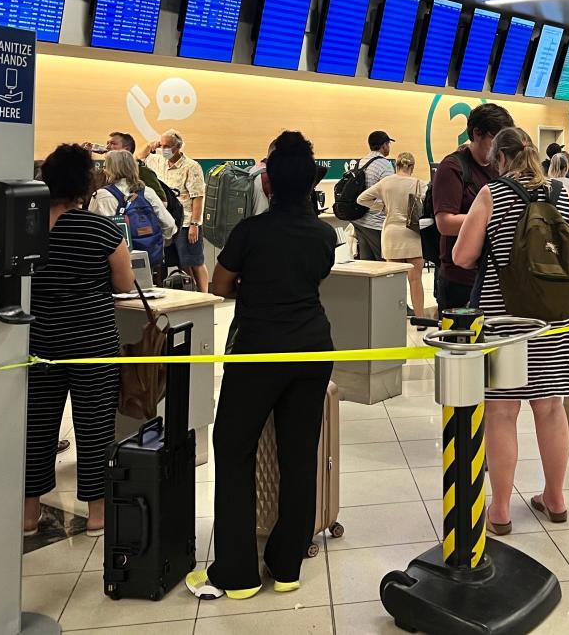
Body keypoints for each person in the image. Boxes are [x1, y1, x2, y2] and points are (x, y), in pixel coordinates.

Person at [187, 131, 337, 601]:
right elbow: (316, 275)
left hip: (256, 351)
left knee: (233, 448)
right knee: (298, 454)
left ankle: (236, 573)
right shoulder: (323, 233)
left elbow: (221, 285)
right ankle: (286, 563)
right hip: (313, 349)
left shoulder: (249, 232)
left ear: (268, 185)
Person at [452, 128, 569, 533]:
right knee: (550, 408)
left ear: (498, 158)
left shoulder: (493, 193)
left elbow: (462, 256)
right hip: (556, 320)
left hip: (504, 318)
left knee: (502, 411)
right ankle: (556, 499)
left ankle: (501, 510)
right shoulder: (560, 193)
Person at [24, 144, 135, 538]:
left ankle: (27, 515)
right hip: (92, 343)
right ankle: (97, 516)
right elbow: (124, 285)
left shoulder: (26, 226)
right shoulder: (100, 229)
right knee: (94, 429)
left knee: (36, 429)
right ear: (85, 186)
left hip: (38, 344)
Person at [432, 104, 515, 311]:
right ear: (477, 133)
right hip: (461, 278)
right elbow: (445, 223)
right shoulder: (452, 167)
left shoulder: (500, 167)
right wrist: (493, 217)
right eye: (495, 140)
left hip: (496, 274)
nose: (500, 149)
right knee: (464, 341)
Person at [357, 151, 427, 318]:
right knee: (416, 280)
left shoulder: (386, 182)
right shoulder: (419, 183)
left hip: (391, 234)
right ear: (412, 166)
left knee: (394, 281)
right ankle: (421, 319)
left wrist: (381, 208)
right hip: (412, 233)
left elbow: (361, 199)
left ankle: (394, 319)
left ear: (396, 165)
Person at [141, 129, 209, 291]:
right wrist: (152, 145)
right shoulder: (158, 161)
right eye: (162, 145)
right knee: (181, 261)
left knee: (195, 261)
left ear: (178, 148)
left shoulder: (191, 166)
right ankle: (191, 291)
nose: (164, 149)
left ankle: (205, 293)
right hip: (167, 222)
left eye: (168, 146)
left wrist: (195, 224)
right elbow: (139, 157)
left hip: (186, 222)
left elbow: (198, 196)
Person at [88, 149, 177, 248]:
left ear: (109, 169)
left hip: (116, 256)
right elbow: (170, 225)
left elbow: (92, 230)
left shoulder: (101, 196)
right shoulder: (148, 192)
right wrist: (157, 241)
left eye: (105, 166)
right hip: (150, 257)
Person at [351, 131, 396, 261]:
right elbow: (389, 193)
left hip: (360, 219)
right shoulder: (385, 165)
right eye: (388, 144)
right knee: (384, 263)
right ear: (384, 146)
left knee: (367, 263)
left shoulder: (361, 162)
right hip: (376, 222)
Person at [99, 130, 168, 202]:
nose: (108, 147)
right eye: (107, 143)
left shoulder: (143, 171)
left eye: (113, 144)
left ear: (126, 149)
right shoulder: (104, 172)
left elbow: (162, 201)